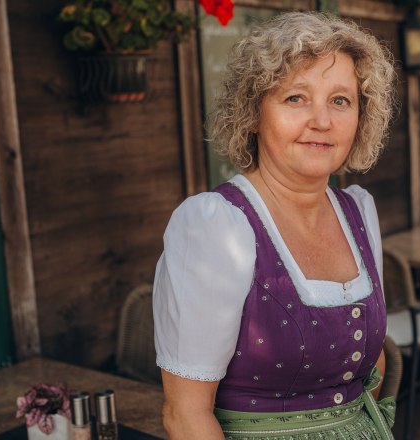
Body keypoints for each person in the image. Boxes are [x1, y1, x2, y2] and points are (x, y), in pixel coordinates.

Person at [152, 12, 398, 439]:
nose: (321, 121)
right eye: (295, 98)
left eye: (340, 101)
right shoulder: (216, 227)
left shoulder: (358, 212)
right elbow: (186, 417)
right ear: (254, 113)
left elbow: (370, 367)